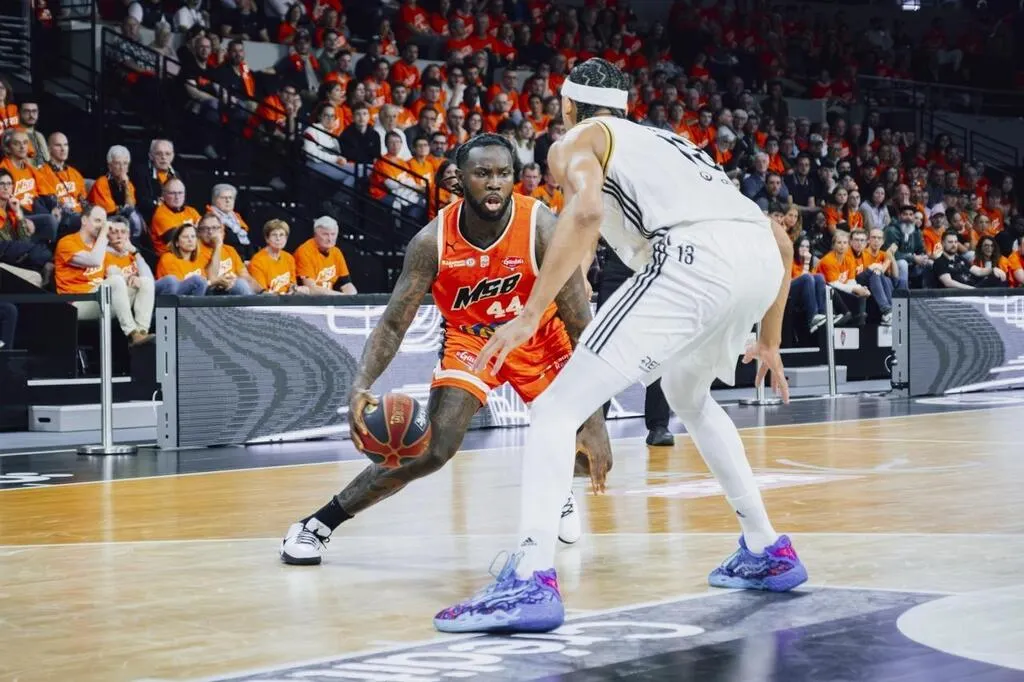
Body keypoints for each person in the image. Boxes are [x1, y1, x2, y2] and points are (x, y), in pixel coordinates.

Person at [436, 59, 807, 634]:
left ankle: (529, 580)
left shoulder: (577, 139)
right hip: (755, 259)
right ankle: (766, 548)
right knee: (689, 396)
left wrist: (531, 314)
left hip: (690, 260)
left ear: (568, 106)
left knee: (555, 410)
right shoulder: (673, 143)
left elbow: (586, 211)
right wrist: (771, 340)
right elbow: (780, 241)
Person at [278, 133, 613, 566]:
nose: (494, 182)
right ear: (459, 178)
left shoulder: (541, 226)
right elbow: (394, 322)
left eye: (504, 173)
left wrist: (594, 418)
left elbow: (580, 324)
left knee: (587, 454)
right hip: (472, 339)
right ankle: (318, 524)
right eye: (483, 173)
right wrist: (360, 384)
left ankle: (559, 485)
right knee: (432, 449)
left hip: (542, 335)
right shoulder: (431, 242)